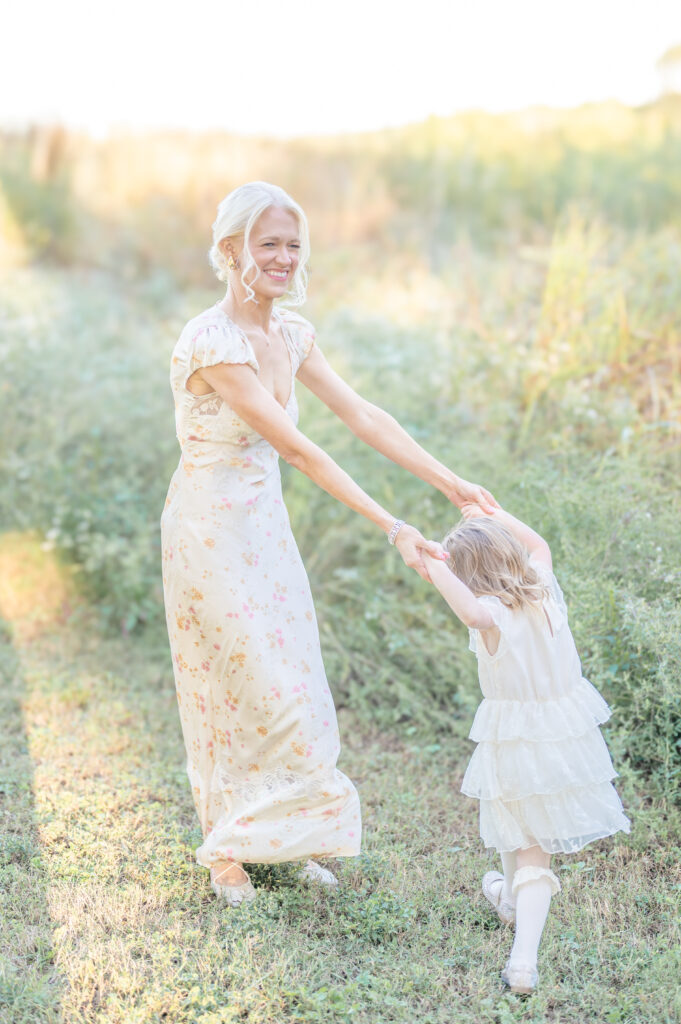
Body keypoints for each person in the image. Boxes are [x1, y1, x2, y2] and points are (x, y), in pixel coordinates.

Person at [160, 181, 497, 906]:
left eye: (291, 244)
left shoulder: (292, 334)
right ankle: (227, 850)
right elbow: (299, 448)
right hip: (206, 528)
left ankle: (286, 834)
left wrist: (450, 483)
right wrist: (393, 527)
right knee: (233, 681)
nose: (282, 258)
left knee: (295, 682)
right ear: (230, 251)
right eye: (267, 244)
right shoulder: (210, 340)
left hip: (264, 526)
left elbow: (361, 415)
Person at [424, 505, 630, 994]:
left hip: (520, 739)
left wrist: (430, 565)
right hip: (567, 736)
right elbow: (541, 546)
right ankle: (513, 904)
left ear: (467, 575)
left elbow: (472, 611)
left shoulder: (491, 614)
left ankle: (523, 963)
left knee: (530, 845)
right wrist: (496, 511)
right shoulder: (543, 589)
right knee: (516, 831)